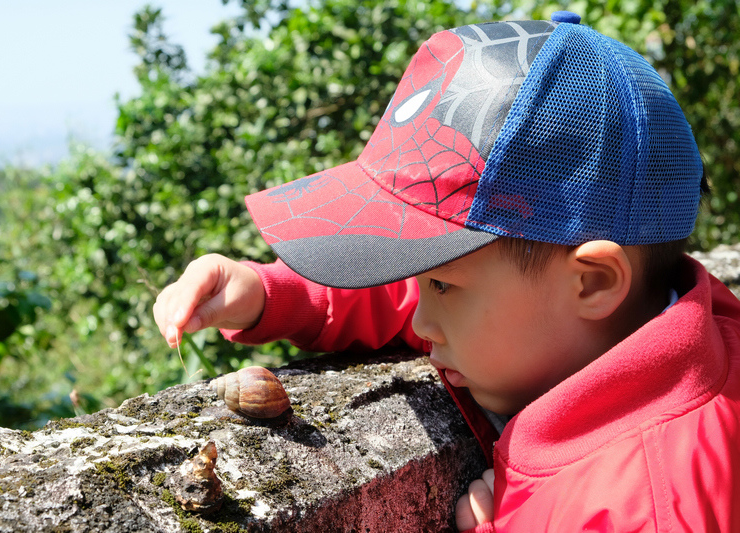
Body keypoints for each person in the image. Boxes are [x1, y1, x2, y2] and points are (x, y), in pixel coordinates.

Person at [154, 11, 740, 532]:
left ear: (593, 281)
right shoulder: (625, 324)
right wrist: (271, 293)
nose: (423, 319)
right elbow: (445, 291)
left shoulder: (650, 504)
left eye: (439, 282)